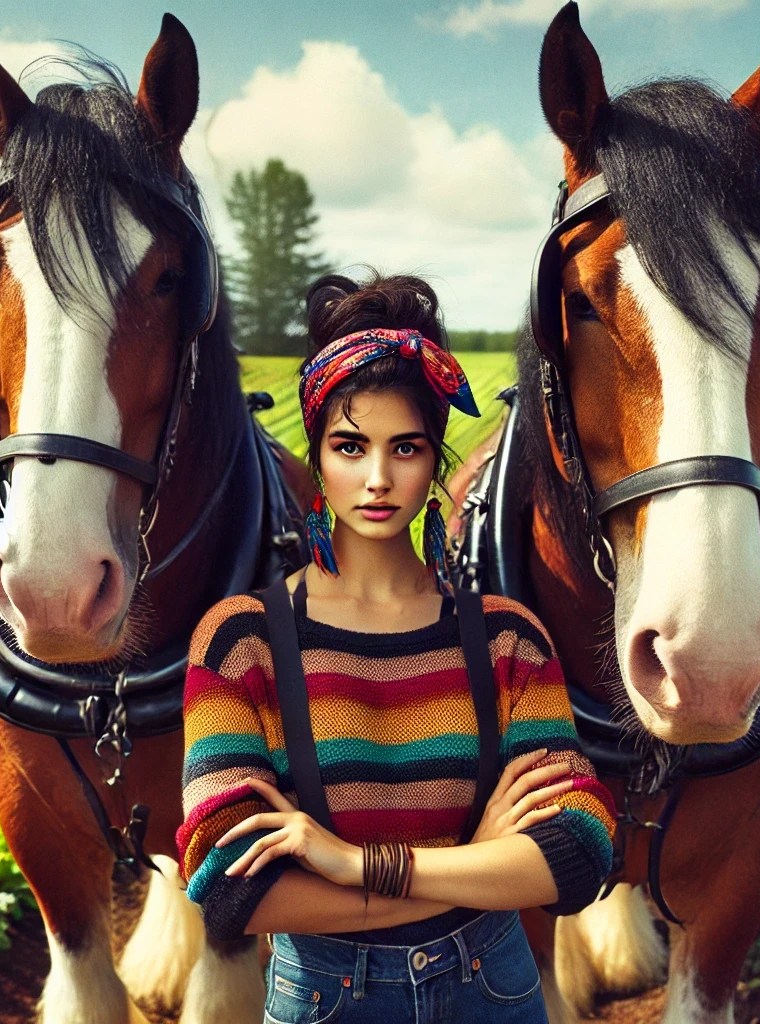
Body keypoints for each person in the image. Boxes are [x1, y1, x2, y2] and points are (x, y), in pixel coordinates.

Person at [177, 273, 616, 1023]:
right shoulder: (240, 643)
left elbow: (579, 850)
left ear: (436, 458)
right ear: (316, 455)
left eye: (405, 447)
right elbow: (229, 884)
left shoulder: (508, 636)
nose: (378, 479)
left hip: (496, 993)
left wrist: (354, 864)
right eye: (351, 446)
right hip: (326, 1000)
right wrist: (476, 863)